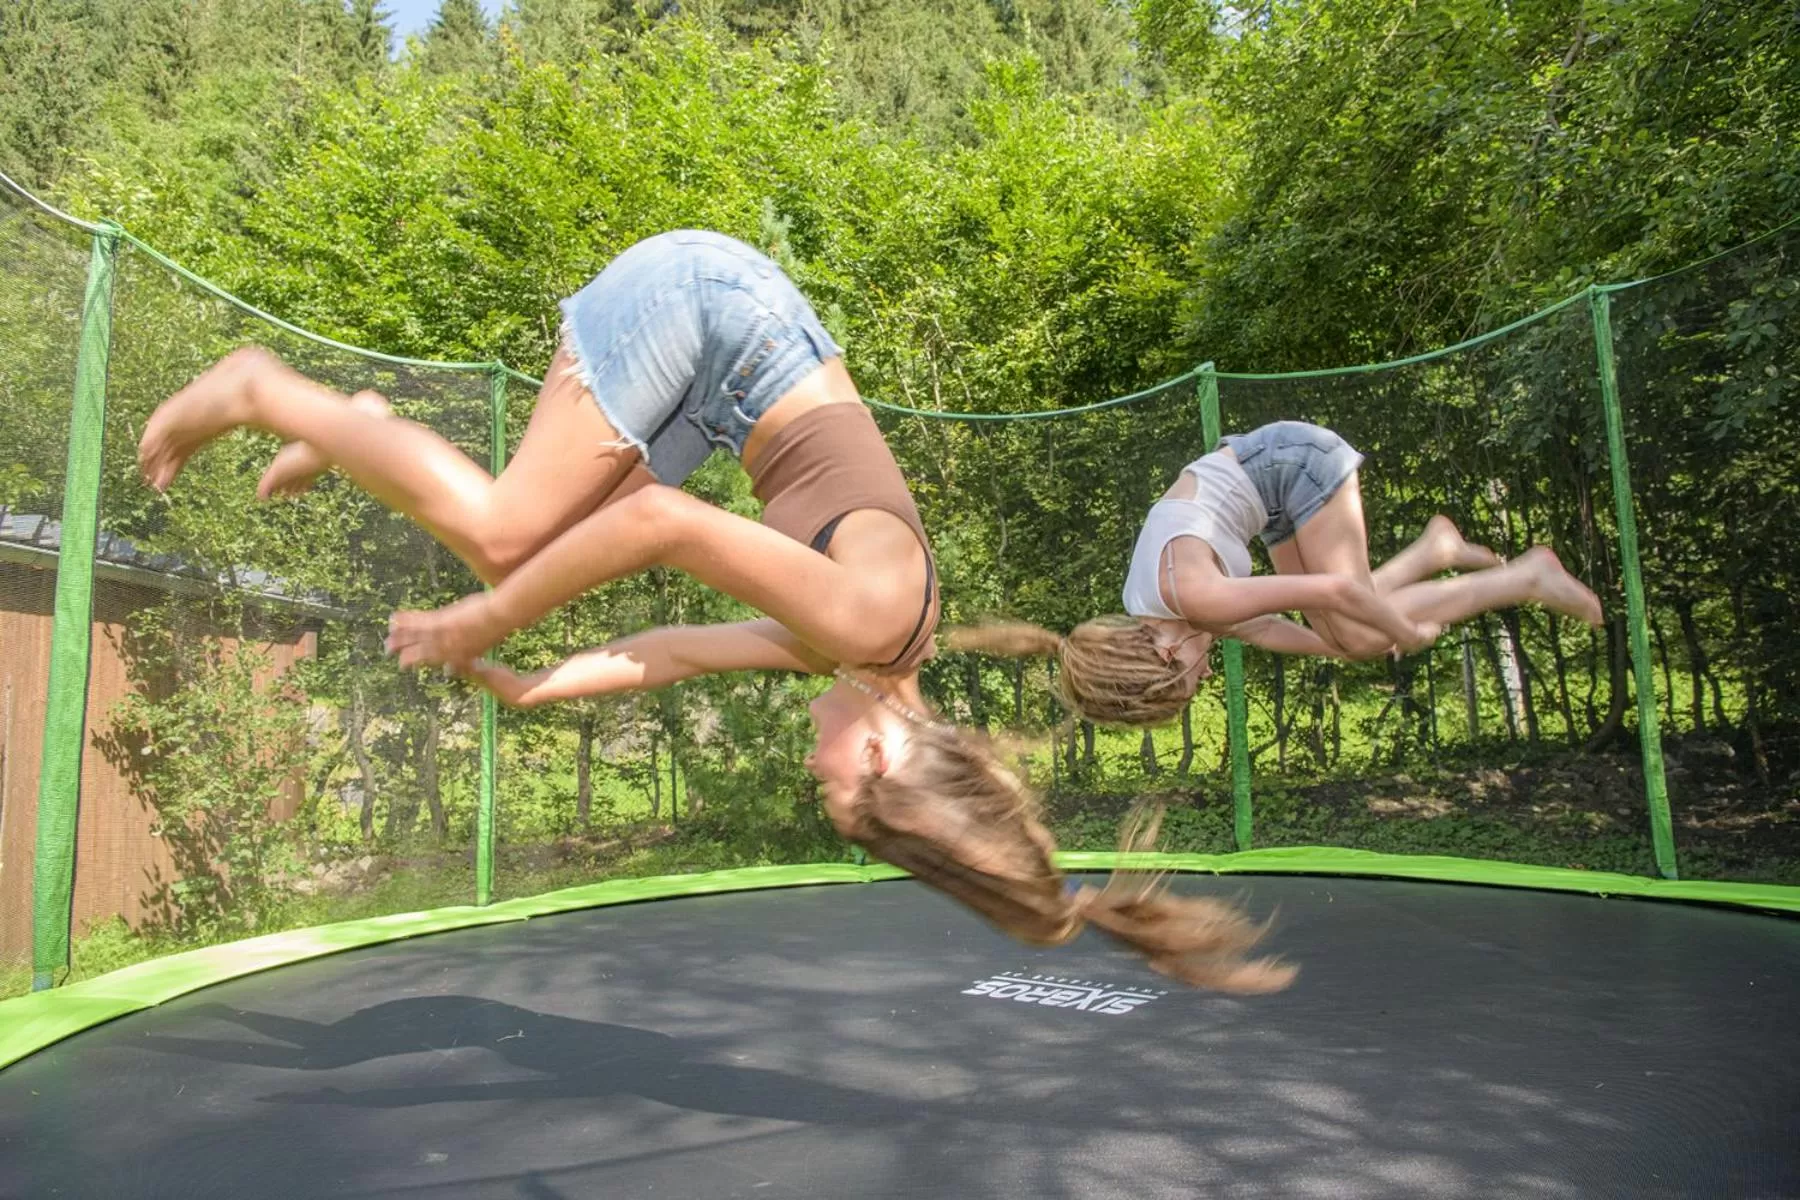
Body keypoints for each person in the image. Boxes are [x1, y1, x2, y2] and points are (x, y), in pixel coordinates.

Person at [138, 229, 1293, 992]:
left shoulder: (866, 652)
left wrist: (530, 686)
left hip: (723, 374)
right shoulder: (868, 623)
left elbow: (671, 656)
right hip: (711, 316)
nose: (813, 770)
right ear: (883, 757)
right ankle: (261, 387)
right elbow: (661, 524)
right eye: (832, 788)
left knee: (518, 538)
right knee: (503, 547)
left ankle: (359, 428)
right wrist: (483, 626)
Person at [951, 420, 1603, 726]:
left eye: (1191, 684)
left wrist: (1405, 632)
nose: (1207, 678)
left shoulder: (1193, 599)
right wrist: (1341, 647)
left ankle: (1526, 576)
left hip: (1296, 466)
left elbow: (1339, 591)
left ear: (1165, 657)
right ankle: (1435, 549)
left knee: (1362, 631)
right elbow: (1267, 629)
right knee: (1351, 637)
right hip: (1273, 493)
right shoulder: (1167, 612)